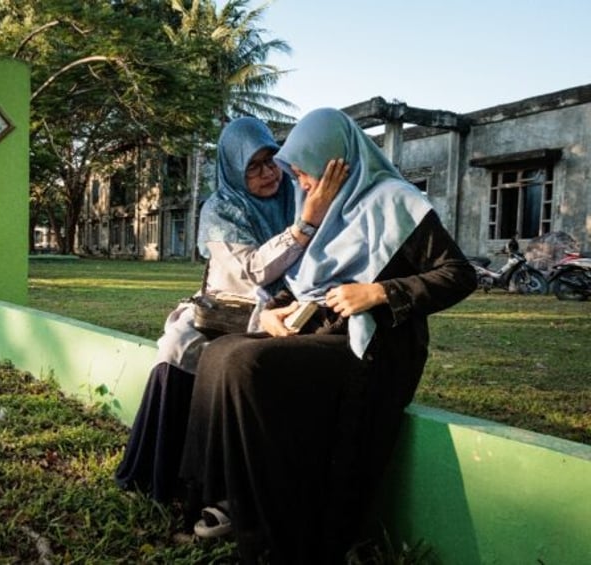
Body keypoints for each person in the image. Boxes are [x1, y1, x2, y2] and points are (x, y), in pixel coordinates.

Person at [179, 108, 477, 563]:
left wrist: (379, 291)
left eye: (303, 174)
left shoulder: (395, 201)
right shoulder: (322, 212)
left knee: (245, 364)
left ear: (335, 163)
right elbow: (303, 284)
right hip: (321, 331)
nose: (299, 185)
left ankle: (271, 519)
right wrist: (277, 313)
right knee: (219, 353)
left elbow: (459, 274)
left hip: (377, 343)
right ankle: (227, 499)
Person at [114, 117, 348, 504]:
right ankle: (161, 474)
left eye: (271, 159)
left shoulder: (295, 194)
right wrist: (305, 225)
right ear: (233, 169)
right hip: (230, 304)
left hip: (291, 302)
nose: (267, 173)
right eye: (252, 165)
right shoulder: (220, 209)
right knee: (179, 344)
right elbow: (252, 270)